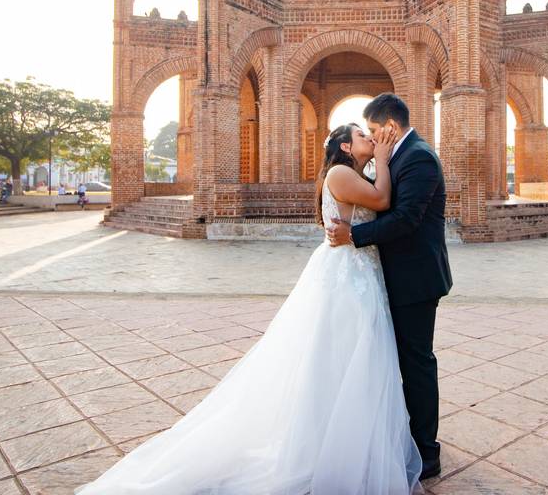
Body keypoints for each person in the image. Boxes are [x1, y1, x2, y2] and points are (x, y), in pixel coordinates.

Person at [78, 121, 423, 495]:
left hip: (358, 271)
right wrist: (386, 158)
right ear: (343, 147)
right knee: (346, 355)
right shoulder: (341, 173)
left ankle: (346, 441)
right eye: (362, 136)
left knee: (355, 358)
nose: (371, 140)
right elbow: (383, 201)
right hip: (348, 278)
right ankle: (330, 447)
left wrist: (379, 162)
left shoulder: (353, 171)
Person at [327, 93, 453, 480]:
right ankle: (400, 439)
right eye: (366, 134)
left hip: (415, 280)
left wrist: (354, 234)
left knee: (416, 363)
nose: (373, 137)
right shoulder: (395, 157)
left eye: (375, 131)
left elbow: (406, 220)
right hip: (388, 278)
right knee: (388, 362)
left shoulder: (417, 157)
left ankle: (426, 452)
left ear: (391, 128)